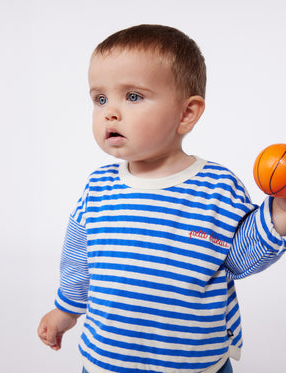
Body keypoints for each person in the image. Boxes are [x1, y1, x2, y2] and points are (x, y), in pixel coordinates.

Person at [38, 24, 286, 373]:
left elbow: (238, 260)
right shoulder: (98, 188)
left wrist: (279, 212)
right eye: (100, 99)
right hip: (109, 357)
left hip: (193, 361)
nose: (110, 112)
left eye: (133, 96)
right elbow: (79, 258)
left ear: (186, 113)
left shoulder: (216, 186)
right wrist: (66, 310)